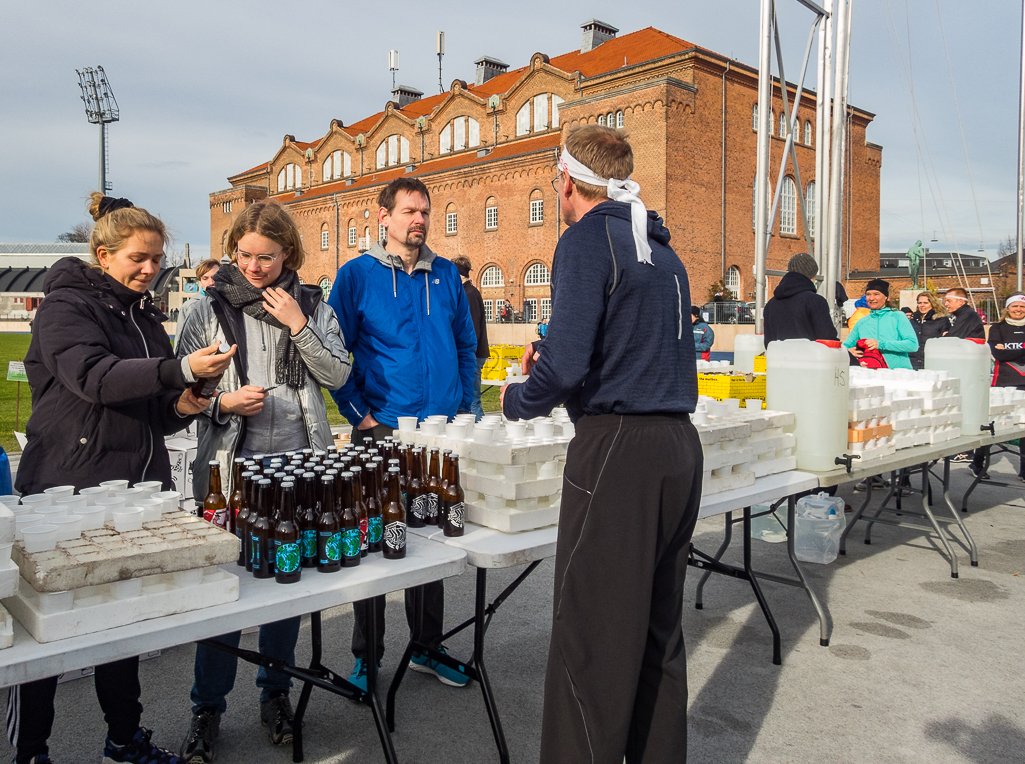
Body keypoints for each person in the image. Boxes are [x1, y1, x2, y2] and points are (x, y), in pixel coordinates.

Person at [502, 124, 701, 763]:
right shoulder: (660, 249)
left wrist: (518, 398)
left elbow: (562, 368)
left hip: (619, 449)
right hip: (677, 447)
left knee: (591, 640)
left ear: (566, 181)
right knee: (655, 636)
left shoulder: (588, 239)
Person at [10, 193, 232, 764]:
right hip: (65, 487)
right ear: (102, 254)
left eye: (158, 259)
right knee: (46, 629)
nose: (151, 269)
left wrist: (182, 402)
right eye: (139, 257)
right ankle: (30, 751)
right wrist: (179, 367)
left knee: (118, 622)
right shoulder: (65, 307)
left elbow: (151, 407)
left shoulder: (143, 316)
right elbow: (96, 378)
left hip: (133, 492)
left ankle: (124, 739)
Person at [176, 201, 350, 763]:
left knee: (284, 589)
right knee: (224, 595)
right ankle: (208, 706)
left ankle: (275, 693)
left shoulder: (312, 305)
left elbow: (339, 375)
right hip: (230, 469)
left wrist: (299, 326)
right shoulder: (208, 309)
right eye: (244, 256)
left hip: (298, 467)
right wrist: (223, 402)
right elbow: (179, 397)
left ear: (288, 254)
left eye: (267, 258)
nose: (254, 267)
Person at [328, 177, 476, 692]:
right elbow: (330, 354)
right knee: (375, 545)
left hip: (437, 436)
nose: (420, 220)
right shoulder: (356, 277)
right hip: (382, 430)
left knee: (431, 545)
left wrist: (469, 412)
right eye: (410, 210)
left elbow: (466, 349)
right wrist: (358, 414)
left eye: (426, 212)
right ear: (383, 217)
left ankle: (427, 648)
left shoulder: (446, 279)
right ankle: (367, 657)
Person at [970, 294, 1025, 480]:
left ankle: (1024, 470)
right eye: (1014, 306)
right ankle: (977, 463)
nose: (1018, 309)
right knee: (993, 424)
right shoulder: (997, 328)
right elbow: (998, 355)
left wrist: (1009, 351)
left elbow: (1005, 353)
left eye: (1022, 306)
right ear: (1007, 308)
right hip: (1004, 383)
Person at [762, 253, 838, 343]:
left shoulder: (770, 305)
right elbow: (828, 341)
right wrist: (847, 353)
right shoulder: (815, 301)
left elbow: (768, 343)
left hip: (779, 356)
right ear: (813, 275)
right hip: (810, 356)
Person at [843, 279, 918, 370]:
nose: (871, 298)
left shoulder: (898, 316)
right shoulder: (862, 322)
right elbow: (845, 346)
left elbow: (912, 345)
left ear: (886, 297)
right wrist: (847, 352)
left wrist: (880, 344)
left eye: (876, 294)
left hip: (898, 375)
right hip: (872, 375)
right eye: (868, 294)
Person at [452, 255, 490, 422]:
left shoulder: (469, 294)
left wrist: (468, 355)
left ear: (459, 276)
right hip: (473, 354)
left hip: (473, 355)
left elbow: (472, 329)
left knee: (472, 398)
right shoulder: (468, 293)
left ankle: (478, 430)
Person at [908, 291, 948, 370]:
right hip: (913, 362)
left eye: (925, 303)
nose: (922, 305)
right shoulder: (912, 321)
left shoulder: (941, 320)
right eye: (920, 303)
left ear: (932, 304)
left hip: (932, 361)